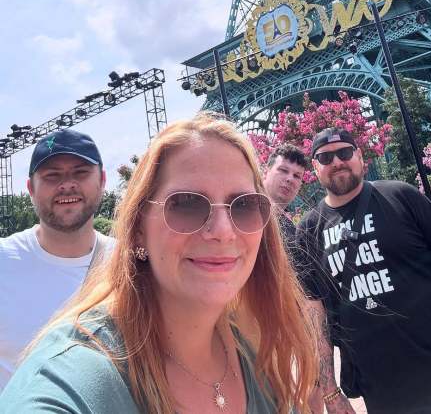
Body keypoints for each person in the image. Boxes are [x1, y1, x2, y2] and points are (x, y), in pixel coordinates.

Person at [0, 113, 318, 413]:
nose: (223, 231)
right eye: (186, 204)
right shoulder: (74, 374)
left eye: (244, 205)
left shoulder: (256, 348)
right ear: (138, 229)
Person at [295, 127, 431, 414]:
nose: (337, 162)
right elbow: (315, 314)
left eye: (344, 152)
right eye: (325, 158)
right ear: (315, 168)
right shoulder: (308, 229)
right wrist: (330, 392)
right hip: (383, 390)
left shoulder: (401, 195)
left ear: (360, 156)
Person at [0, 129, 113, 392]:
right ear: (31, 188)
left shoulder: (131, 264)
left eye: (81, 172)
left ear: (102, 180)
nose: (67, 184)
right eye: (52, 175)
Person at [263, 143, 307, 255]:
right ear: (265, 172)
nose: (290, 179)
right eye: (283, 170)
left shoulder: (292, 233)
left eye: (297, 176)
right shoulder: (243, 213)